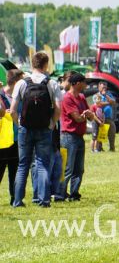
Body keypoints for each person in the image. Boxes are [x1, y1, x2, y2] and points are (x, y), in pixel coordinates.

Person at [9, 52, 62, 208]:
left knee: (23, 165)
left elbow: (12, 110)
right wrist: (52, 124)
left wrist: (19, 124)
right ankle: (44, 200)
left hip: (25, 129)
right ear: (45, 65)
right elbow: (58, 109)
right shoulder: (51, 83)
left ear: (32, 64)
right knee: (42, 164)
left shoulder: (21, 83)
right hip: (44, 128)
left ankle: (17, 201)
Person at [59, 73, 96, 202]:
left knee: (79, 169)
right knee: (67, 168)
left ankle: (74, 193)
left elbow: (89, 113)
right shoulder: (67, 98)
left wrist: (88, 114)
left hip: (79, 137)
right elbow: (78, 118)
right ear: (77, 83)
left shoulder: (81, 97)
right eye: (84, 82)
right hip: (68, 137)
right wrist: (87, 115)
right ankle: (60, 193)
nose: (86, 85)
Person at [0, 69, 23, 206]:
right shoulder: (1, 95)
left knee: (15, 171)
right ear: (15, 81)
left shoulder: (19, 96)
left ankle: (15, 199)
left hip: (16, 139)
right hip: (2, 140)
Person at [92, 82, 117, 151]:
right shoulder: (96, 95)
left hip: (109, 118)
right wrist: (109, 103)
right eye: (103, 87)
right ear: (99, 87)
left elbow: (114, 102)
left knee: (112, 132)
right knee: (100, 133)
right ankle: (99, 148)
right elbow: (99, 104)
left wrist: (106, 96)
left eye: (105, 87)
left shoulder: (108, 94)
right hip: (99, 118)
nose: (104, 89)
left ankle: (112, 148)